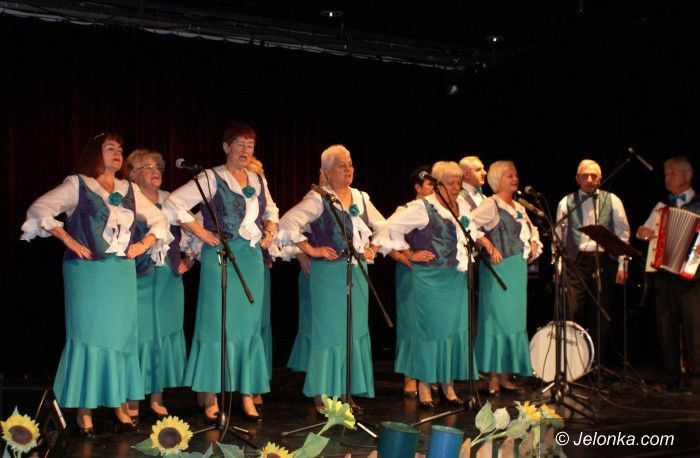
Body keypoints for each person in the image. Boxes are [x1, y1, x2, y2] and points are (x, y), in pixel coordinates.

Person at [20, 133, 171, 437]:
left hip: (121, 274)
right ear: (94, 153)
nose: (117, 153)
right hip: (87, 273)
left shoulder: (129, 189)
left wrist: (142, 244)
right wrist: (68, 239)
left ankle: (118, 405)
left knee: (120, 339)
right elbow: (39, 209)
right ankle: (84, 411)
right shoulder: (78, 184)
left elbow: (160, 221)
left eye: (120, 149)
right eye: (109, 148)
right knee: (89, 337)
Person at [163, 122, 278, 422]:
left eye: (250, 145)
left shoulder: (257, 180)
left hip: (250, 258)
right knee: (218, 325)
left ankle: (247, 394)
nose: (245, 150)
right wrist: (202, 233)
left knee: (248, 327)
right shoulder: (211, 177)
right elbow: (174, 204)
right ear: (226, 147)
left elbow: (272, 211)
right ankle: (212, 396)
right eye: (239, 144)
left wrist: (269, 232)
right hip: (221, 257)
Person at [276, 144, 385, 412]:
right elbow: (287, 223)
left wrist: (373, 248)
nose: (348, 169)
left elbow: (384, 226)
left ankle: (346, 392)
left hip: (357, 271)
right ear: (327, 171)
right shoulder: (318, 199)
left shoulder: (360, 197)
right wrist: (311, 250)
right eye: (341, 165)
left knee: (353, 332)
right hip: (328, 275)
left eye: (350, 164)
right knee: (330, 334)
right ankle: (322, 393)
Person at [375, 161, 477, 407]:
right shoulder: (422, 208)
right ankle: (424, 384)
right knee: (431, 332)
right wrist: (409, 253)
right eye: (450, 183)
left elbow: (470, 233)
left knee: (452, 332)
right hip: (430, 279)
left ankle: (447, 384)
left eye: (458, 183)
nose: (456, 187)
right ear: (438, 184)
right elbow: (388, 228)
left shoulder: (462, 206)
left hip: (455, 279)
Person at [125, 149, 194, 420]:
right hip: (139, 276)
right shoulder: (127, 199)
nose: (156, 171)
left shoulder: (170, 199)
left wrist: (190, 258)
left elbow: (195, 227)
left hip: (169, 279)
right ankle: (132, 397)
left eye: (159, 167)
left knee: (163, 336)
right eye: (148, 166)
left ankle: (157, 397)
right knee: (140, 337)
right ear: (133, 174)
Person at [471, 160, 542, 395]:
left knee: (513, 323)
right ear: (497, 179)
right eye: (509, 176)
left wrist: (533, 243)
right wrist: (487, 243)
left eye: (516, 175)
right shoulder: (490, 204)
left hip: (517, 271)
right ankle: (493, 377)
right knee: (497, 322)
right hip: (498, 271)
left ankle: (505, 376)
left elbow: (533, 231)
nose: (515, 179)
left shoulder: (519, 207)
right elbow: (467, 224)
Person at [555, 159, 630, 366]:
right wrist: (558, 265)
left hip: (603, 260)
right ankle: (573, 362)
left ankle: (598, 364)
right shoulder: (566, 202)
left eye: (593, 176)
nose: (589, 179)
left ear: (600, 178)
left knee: (601, 313)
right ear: (577, 178)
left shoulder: (612, 200)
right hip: (576, 260)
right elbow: (559, 235)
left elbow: (623, 233)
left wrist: (622, 263)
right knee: (572, 310)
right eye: (585, 176)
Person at [637, 157, 699, 393]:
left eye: (672, 173)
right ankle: (671, 379)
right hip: (664, 274)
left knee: (694, 329)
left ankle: (696, 377)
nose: (667, 178)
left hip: (692, 277)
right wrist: (643, 233)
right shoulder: (662, 208)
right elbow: (643, 231)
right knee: (666, 327)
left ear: (687, 176)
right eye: (665, 174)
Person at [384, 166, 434, 398]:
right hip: (411, 272)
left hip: (434, 276)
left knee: (429, 324)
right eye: (429, 184)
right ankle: (409, 375)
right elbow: (386, 235)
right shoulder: (405, 210)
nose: (433, 188)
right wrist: (408, 255)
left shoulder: (440, 211)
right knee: (410, 324)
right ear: (417, 187)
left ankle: (428, 374)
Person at [246, 156, 274, 407]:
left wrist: (270, 237)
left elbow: (276, 224)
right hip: (238, 265)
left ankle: (256, 382)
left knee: (259, 325)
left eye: (260, 175)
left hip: (260, 268)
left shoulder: (265, 204)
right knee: (243, 326)